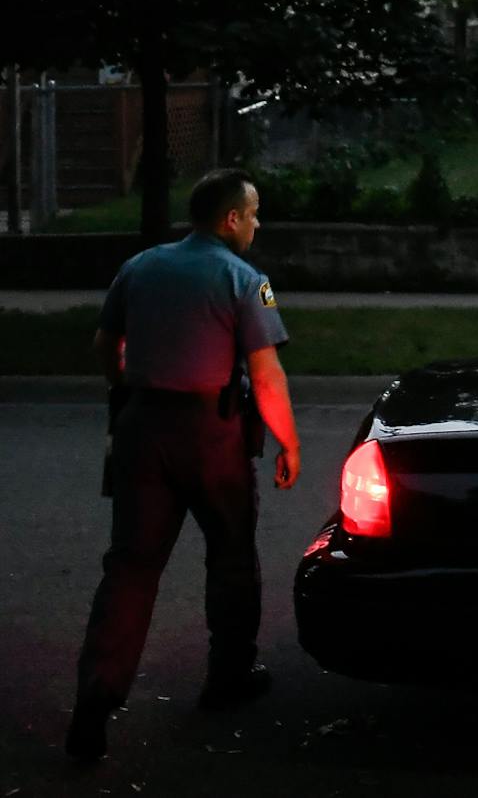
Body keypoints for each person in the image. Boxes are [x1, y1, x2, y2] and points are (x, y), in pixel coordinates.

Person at [66, 168, 301, 764]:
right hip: (210, 432)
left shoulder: (140, 266)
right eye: (251, 213)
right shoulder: (242, 279)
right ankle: (228, 676)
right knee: (228, 554)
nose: (256, 223)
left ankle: (96, 698)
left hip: (143, 429)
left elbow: (105, 345)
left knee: (131, 568)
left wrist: (132, 389)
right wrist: (288, 442)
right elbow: (266, 372)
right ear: (229, 219)